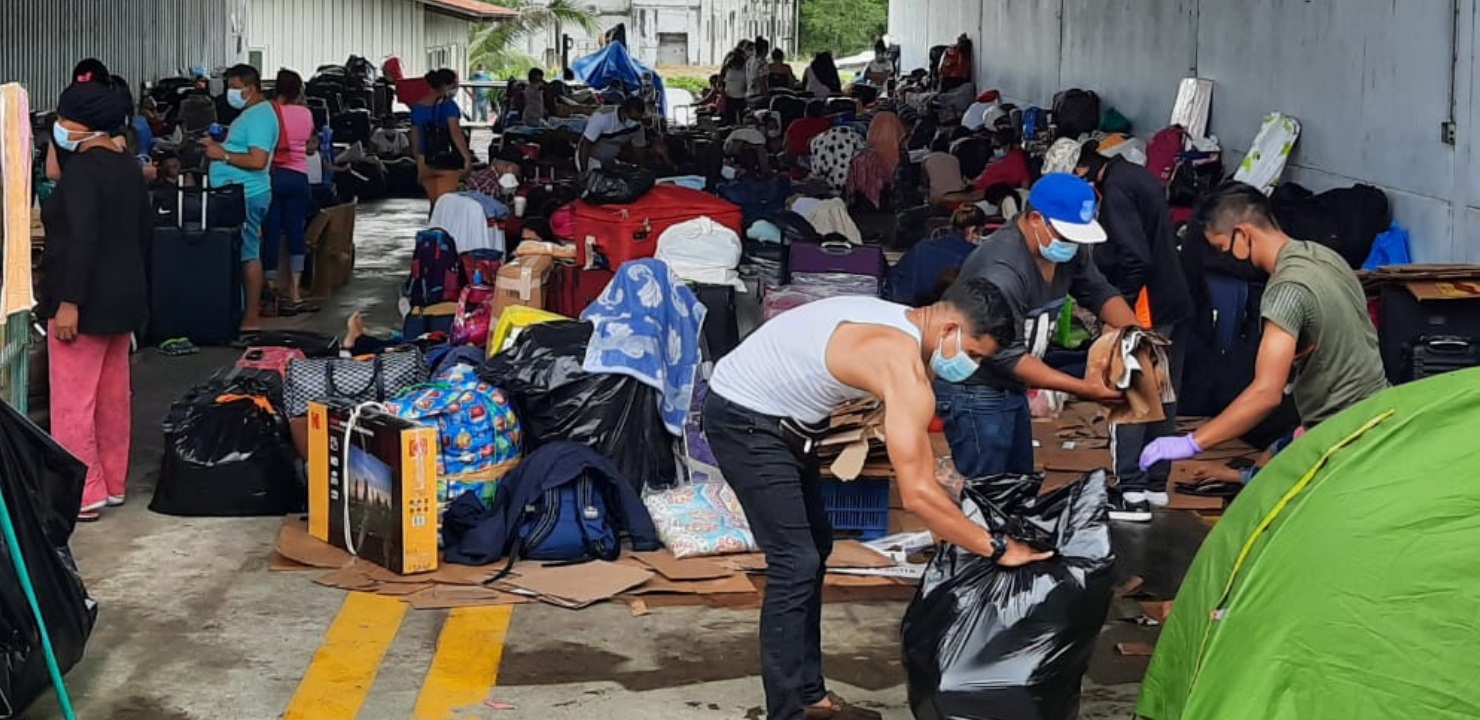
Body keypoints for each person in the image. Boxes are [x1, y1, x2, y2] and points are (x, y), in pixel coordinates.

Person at [705, 279, 1052, 720]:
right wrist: (997, 549)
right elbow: (917, 495)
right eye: (975, 354)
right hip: (744, 417)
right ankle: (788, 711)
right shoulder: (899, 362)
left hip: (786, 422)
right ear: (949, 329)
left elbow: (928, 472)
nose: (973, 365)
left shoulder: (903, 322)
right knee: (796, 562)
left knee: (816, 547)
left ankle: (813, 698)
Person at [1139, 182, 1390, 474]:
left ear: (1243, 234)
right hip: (1376, 406)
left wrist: (1192, 442)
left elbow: (1266, 393)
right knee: (1270, 456)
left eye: (1222, 248)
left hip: (1341, 429)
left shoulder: (1287, 291)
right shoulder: (1324, 257)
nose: (1225, 258)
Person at [945, 173, 1135, 478]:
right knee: (988, 485)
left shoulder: (1069, 249)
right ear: (1035, 219)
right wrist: (1083, 389)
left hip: (1012, 384)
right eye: (1066, 236)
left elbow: (1098, 291)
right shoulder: (1002, 271)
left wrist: (1138, 336)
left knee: (1019, 478)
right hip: (976, 383)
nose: (1073, 245)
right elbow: (1007, 356)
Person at [39, 78, 151, 522]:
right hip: (122, 297)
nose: (59, 128)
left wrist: (69, 300)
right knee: (112, 399)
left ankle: (82, 492)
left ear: (79, 123)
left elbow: (81, 239)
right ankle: (114, 482)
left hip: (81, 301)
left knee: (72, 401)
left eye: (63, 119)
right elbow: (143, 234)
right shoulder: (128, 166)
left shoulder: (84, 172)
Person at [1073, 146, 1194, 519]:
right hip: (1172, 300)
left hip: (1143, 308)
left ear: (1085, 170)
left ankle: (1130, 490)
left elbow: (1134, 255)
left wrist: (1117, 307)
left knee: (1130, 398)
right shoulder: (1138, 176)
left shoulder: (1116, 191)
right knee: (1164, 396)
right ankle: (1157, 483)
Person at [201, 63, 278, 336]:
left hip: (246, 195)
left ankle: (250, 318)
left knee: (249, 254)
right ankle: (240, 312)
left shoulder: (259, 117)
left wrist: (221, 155)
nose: (230, 94)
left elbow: (258, 160)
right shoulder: (252, 114)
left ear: (251, 88)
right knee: (243, 253)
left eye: (234, 88)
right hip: (236, 195)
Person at [261, 68, 319, 318]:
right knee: (296, 231)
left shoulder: (268, 113)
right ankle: (295, 292)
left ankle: (272, 290)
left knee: (271, 231)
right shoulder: (306, 114)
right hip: (298, 177)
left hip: (272, 176)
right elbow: (309, 146)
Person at [889, 204, 985, 305]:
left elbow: (895, 276)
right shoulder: (973, 256)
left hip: (905, 306)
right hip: (945, 310)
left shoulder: (922, 246)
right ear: (972, 230)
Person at [410, 68, 473, 210]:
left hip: (425, 161)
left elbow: (415, 137)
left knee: (434, 205)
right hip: (447, 162)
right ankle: (441, 231)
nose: (455, 89)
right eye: (454, 85)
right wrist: (467, 158)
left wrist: (419, 162)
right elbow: (455, 133)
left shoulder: (417, 107)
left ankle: (432, 230)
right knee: (445, 206)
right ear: (446, 86)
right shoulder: (449, 106)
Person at [577, 96, 648, 173]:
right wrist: (584, 172)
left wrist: (638, 171)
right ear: (624, 112)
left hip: (611, 161)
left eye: (638, 119)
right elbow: (585, 144)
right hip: (590, 158)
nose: (636, 122)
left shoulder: (637, 126)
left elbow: (638, 151)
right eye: (633, 119)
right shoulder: (602, 117)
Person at [972, 128, 1031, 192]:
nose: (995, 150)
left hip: (988, 193)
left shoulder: (1016, 159)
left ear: (1007, 146)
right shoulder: (996, 158)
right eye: (993, 147)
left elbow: (1025, 182)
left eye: (997, 147)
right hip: (978, 187)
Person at [920, 133, 966, 201]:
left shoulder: (926, 159)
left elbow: (925, 182)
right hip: (959, 192)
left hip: (939, 196)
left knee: (920, 190)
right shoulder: (954, 158)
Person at [721, 50, 750, 126]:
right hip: (729, 96)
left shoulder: (745, 69)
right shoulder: (727, 68)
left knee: (742, 117)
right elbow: (721, 82)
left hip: (741, 96)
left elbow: (748, 81)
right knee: (730, 118)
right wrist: (722, 94)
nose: (737, 67)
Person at [747, 38, 772, 104]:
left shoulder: (750, 60)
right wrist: (767, 96)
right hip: (758, 94)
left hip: (748, 93)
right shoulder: (763, 63)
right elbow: (762, 81)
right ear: (765, 50)